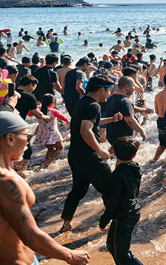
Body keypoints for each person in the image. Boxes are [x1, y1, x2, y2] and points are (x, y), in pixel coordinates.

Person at [0, 112, 90, 264]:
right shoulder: (5, 182)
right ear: (10, 138)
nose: (27, 143)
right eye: (26, 136)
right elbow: (30, 236)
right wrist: (69, 255)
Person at [60, 75, 123, 232]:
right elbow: (85, 130)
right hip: (89, 156)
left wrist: (111, 120)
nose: (110, 93)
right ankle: (113, 223)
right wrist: (99, 150)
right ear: (101, 90)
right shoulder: (94, 105)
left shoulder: (83, 101)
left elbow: (91, 122)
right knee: (111, 188)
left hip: (75, 155)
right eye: (108, 90)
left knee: (79, 190)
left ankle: (66, 222)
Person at [99, 136, 143, 265]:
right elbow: (136, 191)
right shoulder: (134, 167)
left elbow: (113, 203)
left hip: (125, 215)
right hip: (129, 211)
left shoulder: (116, 176)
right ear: (134, 155)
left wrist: (103, 221)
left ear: (115, 153)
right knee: (111, 246)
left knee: (124, 256)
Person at [107, 76, 148, 146]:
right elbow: (129, 120)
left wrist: (144, 110)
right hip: (124, 138)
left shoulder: (111, 97)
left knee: (117, 151)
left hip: (111, 134)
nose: (134, 89)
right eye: (133, 86)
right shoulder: (125, 101)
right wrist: (141, 131)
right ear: (127, 87)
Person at [33, 93, 70, 168]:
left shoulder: (38, 110)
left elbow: (29, 113)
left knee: (51, 149)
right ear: (53, 103)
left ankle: (45, 164)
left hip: (42, 133)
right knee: (60, 148)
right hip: (52, 133)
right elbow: (64, 118)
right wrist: (68, 122)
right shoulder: (53, 111)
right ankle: (48, 162)